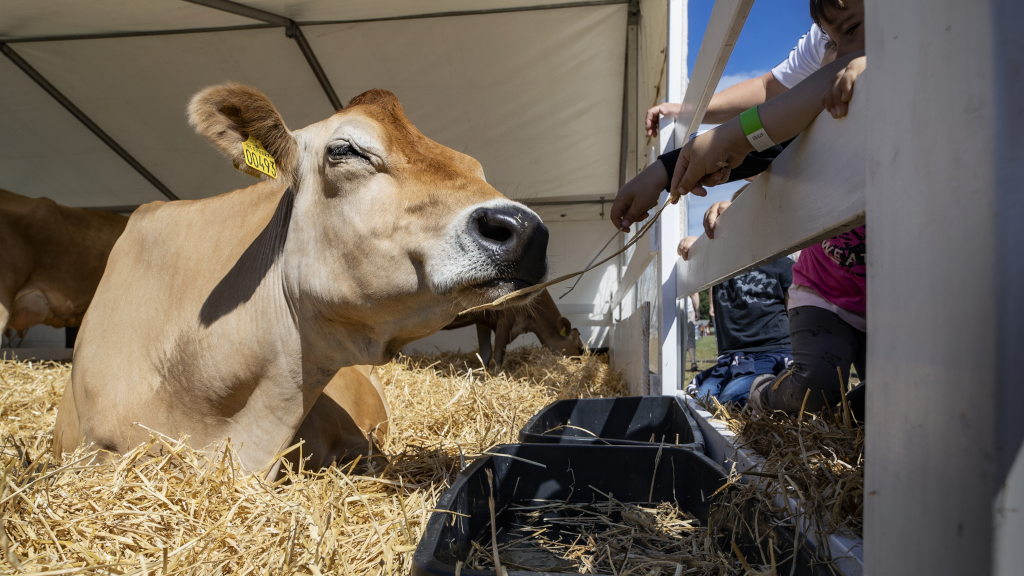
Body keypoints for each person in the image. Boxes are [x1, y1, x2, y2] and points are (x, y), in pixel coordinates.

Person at [611, 0, 867, 415]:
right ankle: (763, 395)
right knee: (818, 381)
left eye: (852, 31)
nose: (836, 56)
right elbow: (774, 98)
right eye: (831, 42)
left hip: (885, 293)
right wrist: (681, 138)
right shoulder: (831, 57)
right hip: (827, 286)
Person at [680, 186, 794, 405]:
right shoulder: (720, 265)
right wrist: (692, 246)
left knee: (733, 399)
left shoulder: (782, 264)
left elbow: (796, 311)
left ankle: (769, 388)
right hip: (732, 357)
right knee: (699, 397)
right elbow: (691, 253)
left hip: (771, 351)